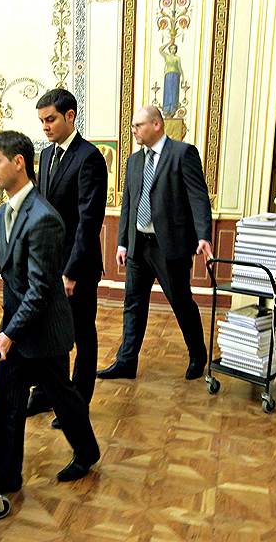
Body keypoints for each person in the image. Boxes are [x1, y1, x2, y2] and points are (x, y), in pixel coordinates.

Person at [0, 131, 101, 494]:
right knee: (7, 403)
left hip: (43, 330)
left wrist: (10, 332)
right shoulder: (4, 212)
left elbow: (40, 290)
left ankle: (86, 451)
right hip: (18, 327)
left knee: (63, 398)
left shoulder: (44, 218)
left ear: (18, 162)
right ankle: (5, 477)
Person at [97, 105, 213, 381]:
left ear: (157, 124)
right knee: (133, 304)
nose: (133, 131)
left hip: (169, 247)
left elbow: (198, 197)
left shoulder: (183, 154)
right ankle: (126, 362)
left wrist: (204, 235)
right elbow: (129, 204)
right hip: (139, 245)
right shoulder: (134, 161)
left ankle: (198, 355)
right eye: (133, 126)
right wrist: (122, 242)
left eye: (138, 125)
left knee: (181, 302)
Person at [27, 89, 107, 429]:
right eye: (42, 121)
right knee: (49, 335)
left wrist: (72, 271)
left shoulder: (89, 158)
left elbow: (89, 221)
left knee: (83, 336)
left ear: (70, 116)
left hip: (79, 267)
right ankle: (47, 393)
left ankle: (77, 404)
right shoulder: (46, 155)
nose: (45, 126)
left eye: (51, 119)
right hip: (49, 265)